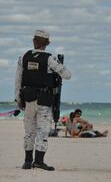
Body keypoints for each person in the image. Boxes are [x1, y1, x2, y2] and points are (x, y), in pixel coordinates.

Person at [15, 29, 71, 171]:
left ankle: (27, 161)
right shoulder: (49, 58)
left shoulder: (24, 56)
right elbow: (67, 75)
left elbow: (18, 80)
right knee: (43, 131)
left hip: (28, 100)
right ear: (47, 43)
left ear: (34, 41)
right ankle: (39, 161)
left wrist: (18, 99)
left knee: (29, 132)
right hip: (44, 101)